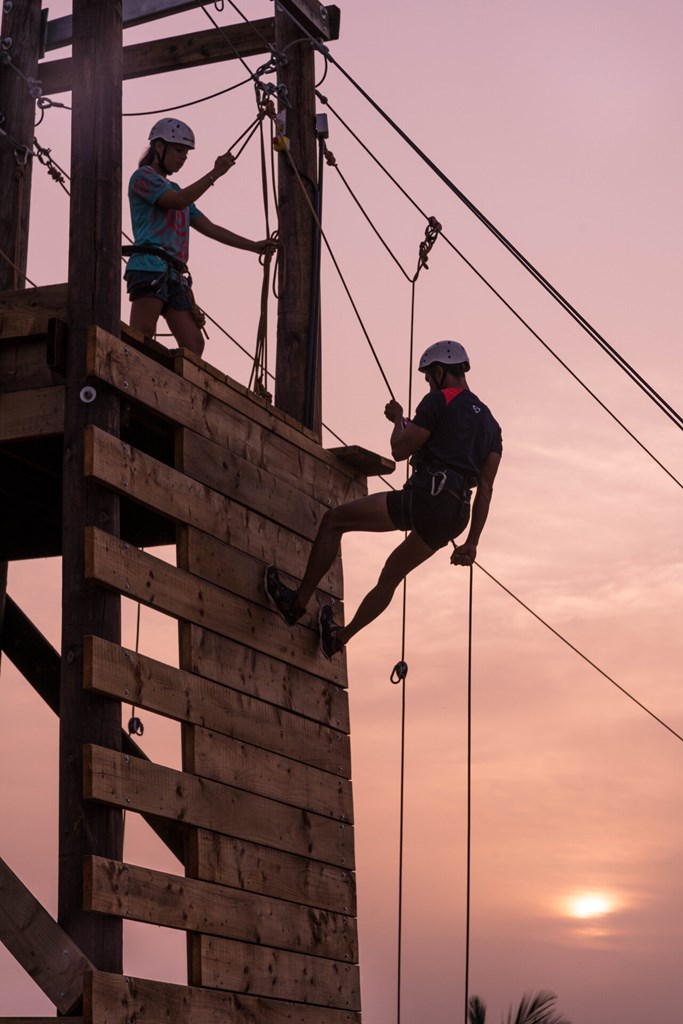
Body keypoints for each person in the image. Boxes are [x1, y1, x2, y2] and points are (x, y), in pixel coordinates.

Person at [264, 340, 503, 659]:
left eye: (429, 378)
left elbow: (400, 450)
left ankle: (296, 604)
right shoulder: (491, 425)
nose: (429, 384)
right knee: (391, 575)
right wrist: (472, 543)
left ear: (439, 371)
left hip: (425, 499)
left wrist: (397, 423)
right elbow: (485, 489)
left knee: (334, 521)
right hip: (454, 516)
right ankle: (338, 638)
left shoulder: (438, 402)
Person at [124, 118, 275, 355]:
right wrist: (215, 173)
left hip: (175, 274)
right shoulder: (143, 177)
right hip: (149, 266)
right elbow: (177, 202)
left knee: (194, 344)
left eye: (186, 153)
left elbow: (210, 227)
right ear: (159, 147)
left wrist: (253, 246)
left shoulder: (174, 189)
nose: (183, 157)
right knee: (142, 333)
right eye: (178, 150)